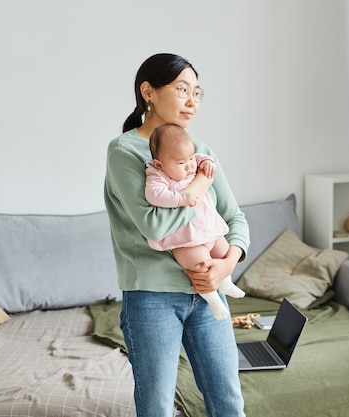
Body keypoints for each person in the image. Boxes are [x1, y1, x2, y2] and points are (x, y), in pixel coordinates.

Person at [104, 53, 248, 417]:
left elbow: (234, 217)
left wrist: (227, 264)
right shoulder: (125, 151)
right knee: (156, 408)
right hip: (151, 299)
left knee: (229, 402)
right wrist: (198, 185)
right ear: (148, 92)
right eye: (182, 89)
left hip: (209, 291)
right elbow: (153, 226)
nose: (191, 101)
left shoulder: (203, 152)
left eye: (197, 93)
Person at [145, 123, 245, 320]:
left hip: (209, 229)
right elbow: (153, 195)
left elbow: (202, 158)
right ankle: (213, 300)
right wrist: (182, 198)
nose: (190, 165)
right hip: (185, 239)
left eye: (191, 158)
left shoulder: (191, 161)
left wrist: (207, 162)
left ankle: (226, 282)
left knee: (223, 251)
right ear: (159, 164)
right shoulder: (158, 175)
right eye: (182, 163)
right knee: (201, 267)